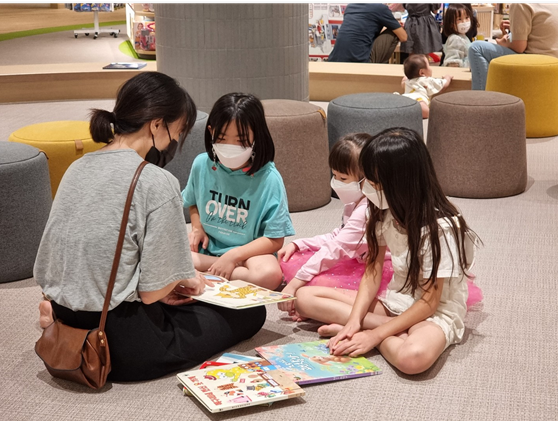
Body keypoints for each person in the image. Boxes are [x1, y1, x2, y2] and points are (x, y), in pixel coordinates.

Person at [35, 72, 266, 382]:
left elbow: (52, 259)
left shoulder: (77, 167)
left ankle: (56, 321)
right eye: (177, 131)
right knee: (251, 311)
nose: (173, 142)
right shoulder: (155, 180)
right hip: (120, 345)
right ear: (157, 125)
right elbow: (150, 292)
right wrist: (183, 281)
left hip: (67, 315)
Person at [295, 127, 482, 375]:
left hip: (434, 311)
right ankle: (387, 328)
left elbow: (430, 302)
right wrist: (353, 321)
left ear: (399, 183)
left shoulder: (440, 228)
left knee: (412, 359)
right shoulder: (381, 209)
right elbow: (372, 270)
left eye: (373, 182)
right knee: (304, 298)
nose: (366, 188)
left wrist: (373, 336)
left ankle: (379, 330)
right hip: (397, 299)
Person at [182, 93, 295, 290]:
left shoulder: (269, 179)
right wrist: (197, 228)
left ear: (256, 136)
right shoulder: (201, 164)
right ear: (211, 131)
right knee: (160, 253)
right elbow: (192, 201)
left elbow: (275, 239)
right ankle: (222, 270)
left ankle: (208, 271)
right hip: (207, 247)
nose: (230, 147)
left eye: (241, 140)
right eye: (222, 138)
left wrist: (234, 256)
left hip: (249, 253)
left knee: (270, 275)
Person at [277, 133, 393, 321]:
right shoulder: (355, 202)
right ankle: (320, 308)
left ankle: (325, 310)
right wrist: (300, 243)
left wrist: (296, 283)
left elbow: (338, 246)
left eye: (343, 178)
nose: (337, 183)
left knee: (313, 280)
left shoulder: (368, 209)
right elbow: (339, 235)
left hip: (378, 269)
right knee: (296, 259)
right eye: (335, 176)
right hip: (357, 258)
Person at [469, 3, 558, 90]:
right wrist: (516, 28)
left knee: (476, 48)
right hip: (553, 63)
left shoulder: (519, 4)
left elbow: (519, 47)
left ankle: (481, 98)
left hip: (533, 62)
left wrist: (503, 43)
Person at [327, 3, 407, 64]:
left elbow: (364, 29)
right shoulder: (380, 8)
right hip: (360, 61)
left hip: (334, 59)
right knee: (393, 32)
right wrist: (395, 26)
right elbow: (404, 37)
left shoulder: (350, 7)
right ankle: (379, 68)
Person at [398, 54, 453, 118]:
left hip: (405, 98)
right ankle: (423, 112)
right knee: (424, 108)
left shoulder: (407, 81)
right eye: (429, 65)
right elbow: (443, 85)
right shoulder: (426, 80)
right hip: (418, 100)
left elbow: (403, 83)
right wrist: (447, 78)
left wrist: (408, 75)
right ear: (422, 73)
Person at [442, 4, 475, 68]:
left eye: (467, 18)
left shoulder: (463, 37)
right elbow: (453, 63)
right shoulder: (455, 39)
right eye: (459, 19)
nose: (464, 22)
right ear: (451, 23)